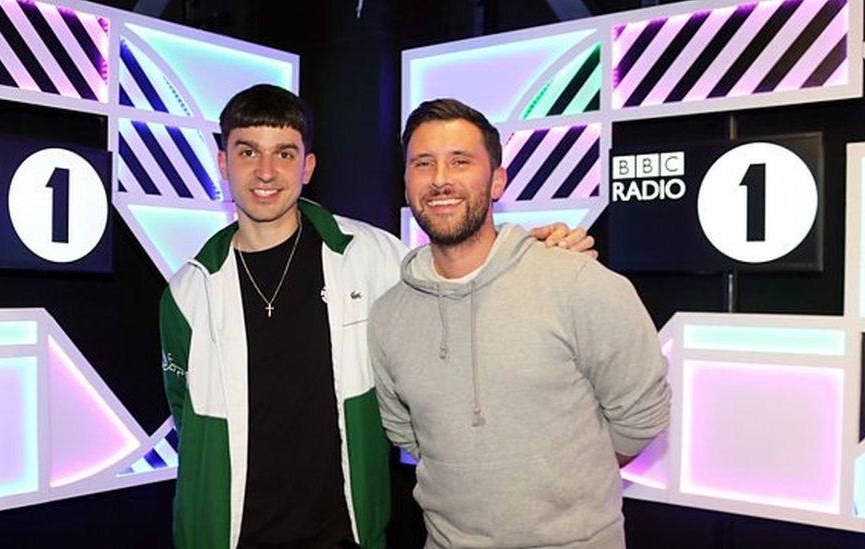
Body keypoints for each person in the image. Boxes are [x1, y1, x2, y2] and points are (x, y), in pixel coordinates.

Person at [159, 85, 595, 549]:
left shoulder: (373, 254)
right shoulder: (188, 292)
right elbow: (188, 419)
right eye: (248, 151)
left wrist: (535, 253)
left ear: (307, 167)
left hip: (345, 535)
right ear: (223, 162)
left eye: (285, 153)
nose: (266, 172)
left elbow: (458, 282)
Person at [368, 98, 671, 548]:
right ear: (407, 181)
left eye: (461, 161)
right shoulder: (389, 314)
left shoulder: (577, 282)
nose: (440, 179)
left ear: (497, 181)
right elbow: (407, 434)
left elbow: (641, 420)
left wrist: (561, 485)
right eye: (423, 163)